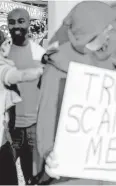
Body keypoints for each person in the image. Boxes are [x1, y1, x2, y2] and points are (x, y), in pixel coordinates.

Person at [36, 1, 116, 185]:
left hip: (111, 170)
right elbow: (46, 119)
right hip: (73, 173)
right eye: (105, 27)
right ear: (90, 30)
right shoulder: (58, 65)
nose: (110, 31)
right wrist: (48, 153)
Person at [7, 8, 46, 184]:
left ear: (29, 23)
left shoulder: (40, 54)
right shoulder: (3, 53)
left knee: (32, 179)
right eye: (12, 21)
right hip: (7, 130)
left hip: (33, 127)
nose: (16, 26)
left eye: (21, 21)